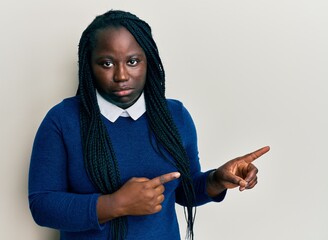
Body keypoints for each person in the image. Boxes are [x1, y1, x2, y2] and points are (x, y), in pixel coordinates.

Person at [28, 10, 270, 240]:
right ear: (88, 67)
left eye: (132, 61)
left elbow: (184, 191)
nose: (121, 75)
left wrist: (217, 180)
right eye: (106, 63)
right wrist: (115, 204)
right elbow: (42, 205)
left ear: (148, 62)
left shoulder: (175, 116)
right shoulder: (62, 120)